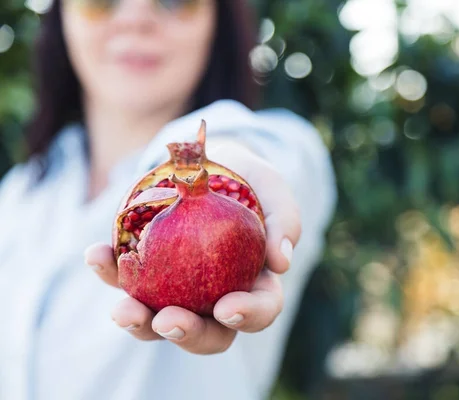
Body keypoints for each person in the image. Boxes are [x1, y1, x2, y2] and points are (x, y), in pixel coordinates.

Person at [0, 0, 336, 398]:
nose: (136, 16)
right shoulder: (20, 191)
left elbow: (271, 159)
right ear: (61, 18)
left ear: (219, 21)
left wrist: (210, 158)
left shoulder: (282, 146)